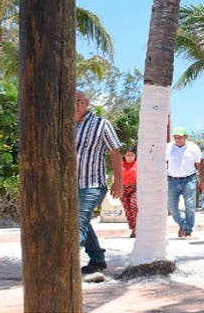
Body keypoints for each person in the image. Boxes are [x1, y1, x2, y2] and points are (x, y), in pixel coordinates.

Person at [75, 90, 122, 274]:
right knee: (81, 221)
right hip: (70, 185)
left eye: (78, 102)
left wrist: (118, 181)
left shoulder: (101, 124)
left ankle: (65, 264)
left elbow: (115, 152)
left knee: (78, 222)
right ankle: (97, 260)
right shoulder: (64, 124)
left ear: (86, 102)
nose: (74, 106)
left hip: (93, 184)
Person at [166, 127, 201, 239]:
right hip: (172, 180)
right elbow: (163, 162)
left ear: (186, 137)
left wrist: (203, 179)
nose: (178, 139)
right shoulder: (168, 147)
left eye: (180, 137)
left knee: (190, 205)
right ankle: (183, 223)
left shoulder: (193, 147)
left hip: (189, 179)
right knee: (171, 206)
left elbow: (199, 164)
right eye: (176, 137)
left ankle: (188, 231)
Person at [120, 148, 138, 238]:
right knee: (127, 209)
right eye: (128, 155)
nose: (130, 157)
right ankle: (133, 228)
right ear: (124, 156)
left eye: (132, 155)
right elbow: (116, 176)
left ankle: (137, 228)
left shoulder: (139, 164)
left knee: (133, 205)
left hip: (135, 188)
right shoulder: (120, 164)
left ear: (135, 156)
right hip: (123, 188)